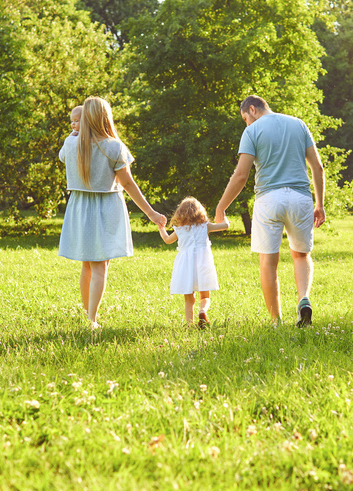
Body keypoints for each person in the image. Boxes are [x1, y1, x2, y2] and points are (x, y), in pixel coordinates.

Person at [214, 95, 325, 327]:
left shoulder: (252, 132)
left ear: (252, 110)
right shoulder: (298, 124)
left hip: (269, 200)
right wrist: (319, 204)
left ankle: (276, 322)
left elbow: (241, 175)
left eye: (245, 118)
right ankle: (303, 298)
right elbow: (318, 167)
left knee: (268, 262)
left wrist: (221, 206)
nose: (246, 123)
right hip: (300, 198)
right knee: (301, 255)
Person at [58, 96, 166, 328]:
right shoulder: (114, 147)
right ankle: (92, 319)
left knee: (87, 264)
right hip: (105, 209)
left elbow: (62, 156)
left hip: (78, 207)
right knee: (100, 266)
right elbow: (128, 184)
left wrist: (72, 136)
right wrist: (151, 213)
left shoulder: (70, 143)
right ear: (106, 117)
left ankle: (88, 314)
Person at [158, 197, 230, 328]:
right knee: (205, 296)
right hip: (203, 263)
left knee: (189, 298)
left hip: (186, 266)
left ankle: (190, 325)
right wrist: (224, 217)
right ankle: (203, 311)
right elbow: (225, 226)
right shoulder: (205, 226)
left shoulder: (179, 229)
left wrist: (161, 228)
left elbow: (167, 240)